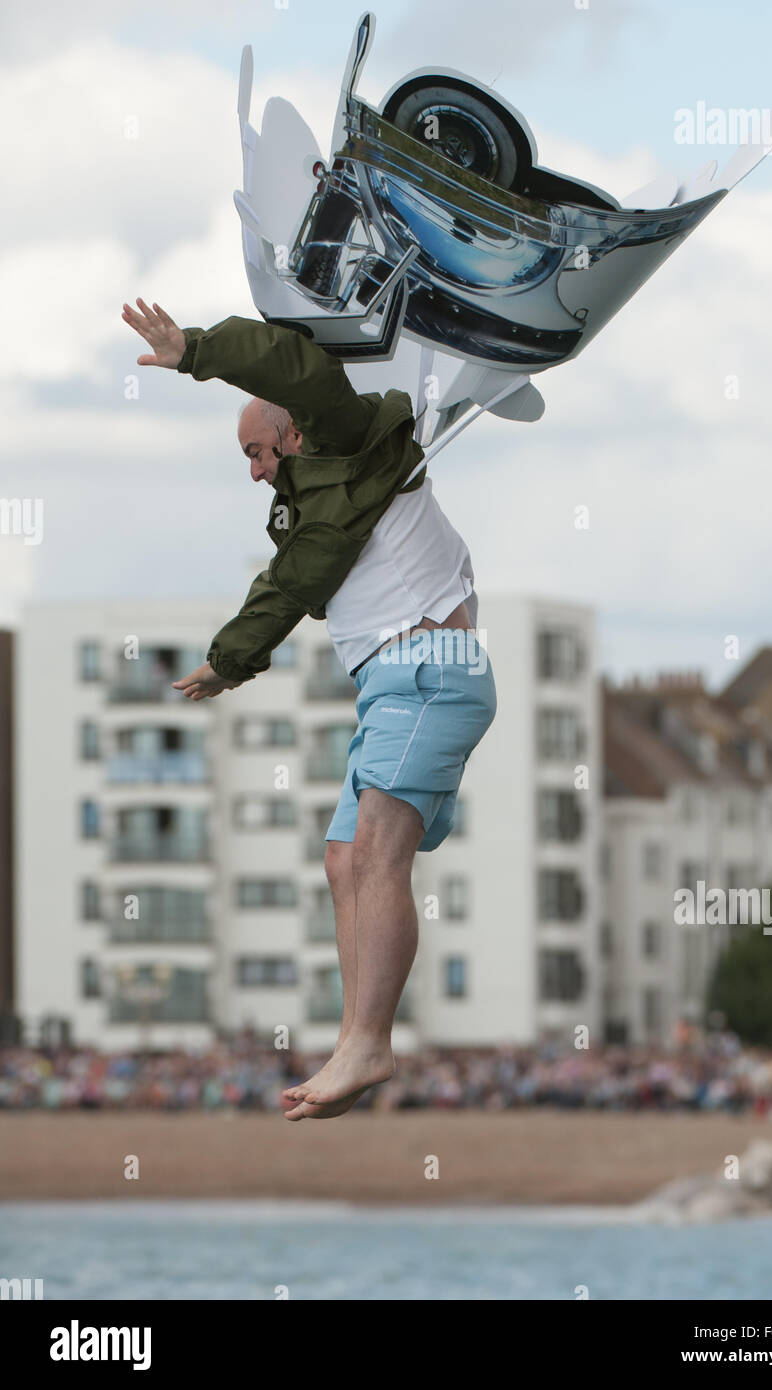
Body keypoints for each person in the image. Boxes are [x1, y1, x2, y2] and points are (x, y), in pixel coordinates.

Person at [121, 298, 497, 1119]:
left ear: (294, 432)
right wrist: (229, 659)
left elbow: (289, 364)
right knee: (341, 863)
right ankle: (354, 1040)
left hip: (432, 669)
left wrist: (193, 351)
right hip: (392, 687)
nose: (253, 468)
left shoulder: (348, 435)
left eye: (256, 450)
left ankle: (369, 1043)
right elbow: (288, 583)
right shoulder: (318, 505)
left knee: (373, 857)